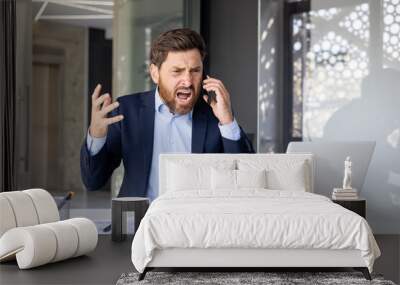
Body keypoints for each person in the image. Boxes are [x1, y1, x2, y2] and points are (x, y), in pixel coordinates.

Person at [80, 28, 254, 200]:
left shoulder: (215, 114)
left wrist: (228, 121)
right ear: (155, 73)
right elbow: (93, 181)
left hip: (197, 223)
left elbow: (247, 184)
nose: (187, 80)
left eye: (195, 71)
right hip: (140, 224)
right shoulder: (127, 110)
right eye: (177, 71)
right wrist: (96, 135)